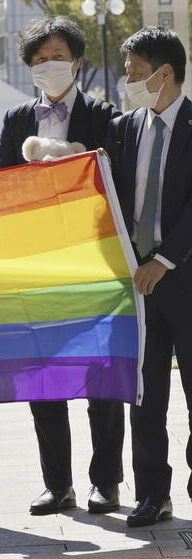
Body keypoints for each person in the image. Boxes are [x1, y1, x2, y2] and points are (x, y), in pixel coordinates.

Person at [0, 16, 124, 516]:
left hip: (94, 263)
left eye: (58, 56)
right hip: (38, 267)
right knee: (43, 378)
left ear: (77, 61)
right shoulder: (16, 120)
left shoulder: (105, 115)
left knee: (101, 376)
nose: (49, 65)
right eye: (40, 59)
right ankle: (57, 483)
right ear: (29, 66)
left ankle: (106, 481)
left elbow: (118, 181)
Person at [106, 26, 192, 528]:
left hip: (183, 279)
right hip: (137, 282)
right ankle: (152, 494)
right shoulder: (125, 127)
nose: (129, 81)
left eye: (136, 72)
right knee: (145, 394)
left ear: (165, 73)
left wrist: (165, 260)